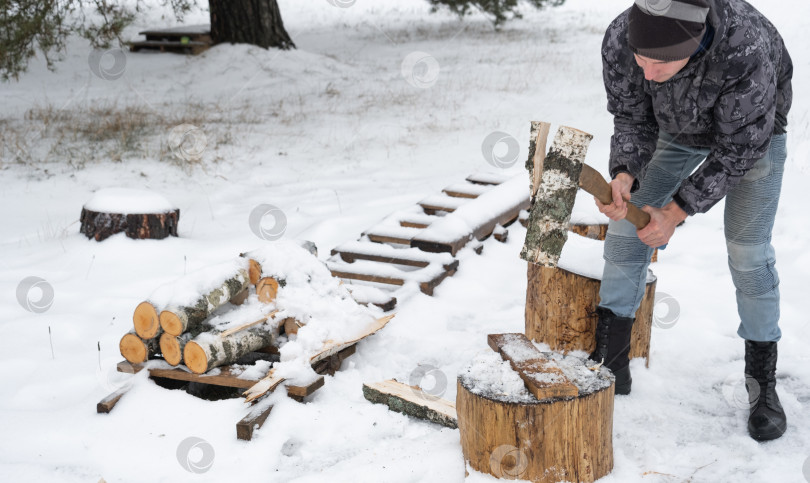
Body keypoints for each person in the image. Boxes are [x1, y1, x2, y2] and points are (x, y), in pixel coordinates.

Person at [590, 0, 792, 442]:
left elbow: (739, 150)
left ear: (695, 43)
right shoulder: (622, 36)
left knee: (748, 252)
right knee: (627, 228)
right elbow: (632, 116)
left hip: (751, 139)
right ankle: (611, 363)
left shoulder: (743, 47)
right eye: (640, 58)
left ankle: (762, 385)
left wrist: (676, 212)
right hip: (675, 132)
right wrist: (625, 172)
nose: (646, 72)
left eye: (660, 63)